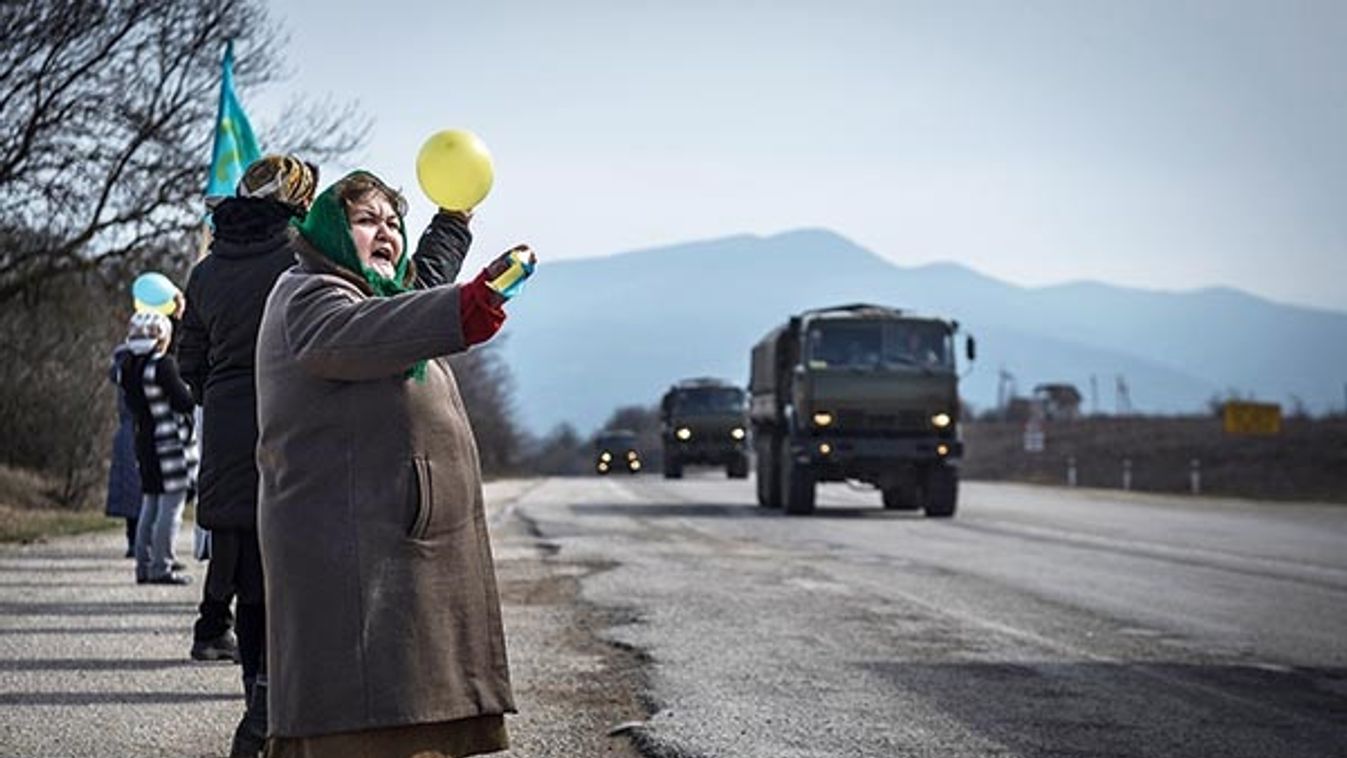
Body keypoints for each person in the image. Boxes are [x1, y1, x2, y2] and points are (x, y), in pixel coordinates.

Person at [256, 170, 528, 758]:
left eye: (392, 223)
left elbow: (414, 291)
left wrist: (452, 225)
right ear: (329, 229)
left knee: (409, 714)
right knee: (362, 722)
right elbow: (356, 332)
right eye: (365, 220)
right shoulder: (310, 293)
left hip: (385, 536)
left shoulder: (367, 291)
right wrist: (467, 308)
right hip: (351, 544)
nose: (385, 233)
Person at [177, 155, 320, 756]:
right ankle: (279, 708)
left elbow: (190, 363)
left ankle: (255, 704)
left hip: (229, 426)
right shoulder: (305, 258)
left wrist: (225, 391)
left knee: (251, 577)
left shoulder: (206, 271)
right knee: (300, 574)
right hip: (294, 418)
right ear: (297, 202)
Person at [115, 311, 194, 585]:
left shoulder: (127, 366)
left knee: (150, 502)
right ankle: (162, 566)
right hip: (168, 443)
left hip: (143, 441)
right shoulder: (162, 366)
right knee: (171, 507)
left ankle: (144, 566)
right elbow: (185, 402)